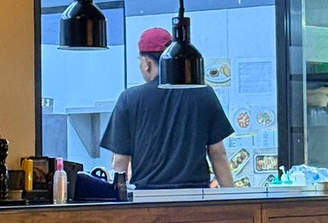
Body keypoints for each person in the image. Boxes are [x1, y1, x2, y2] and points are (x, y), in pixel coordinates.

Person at [100, 27, 235, 190]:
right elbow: (217, 153)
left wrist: (117, 198)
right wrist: (231, 196)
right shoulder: (204, 93)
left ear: (147, 63)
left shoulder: (129, 98)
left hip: (149, 198)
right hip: (197, 197)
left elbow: (120, 162)